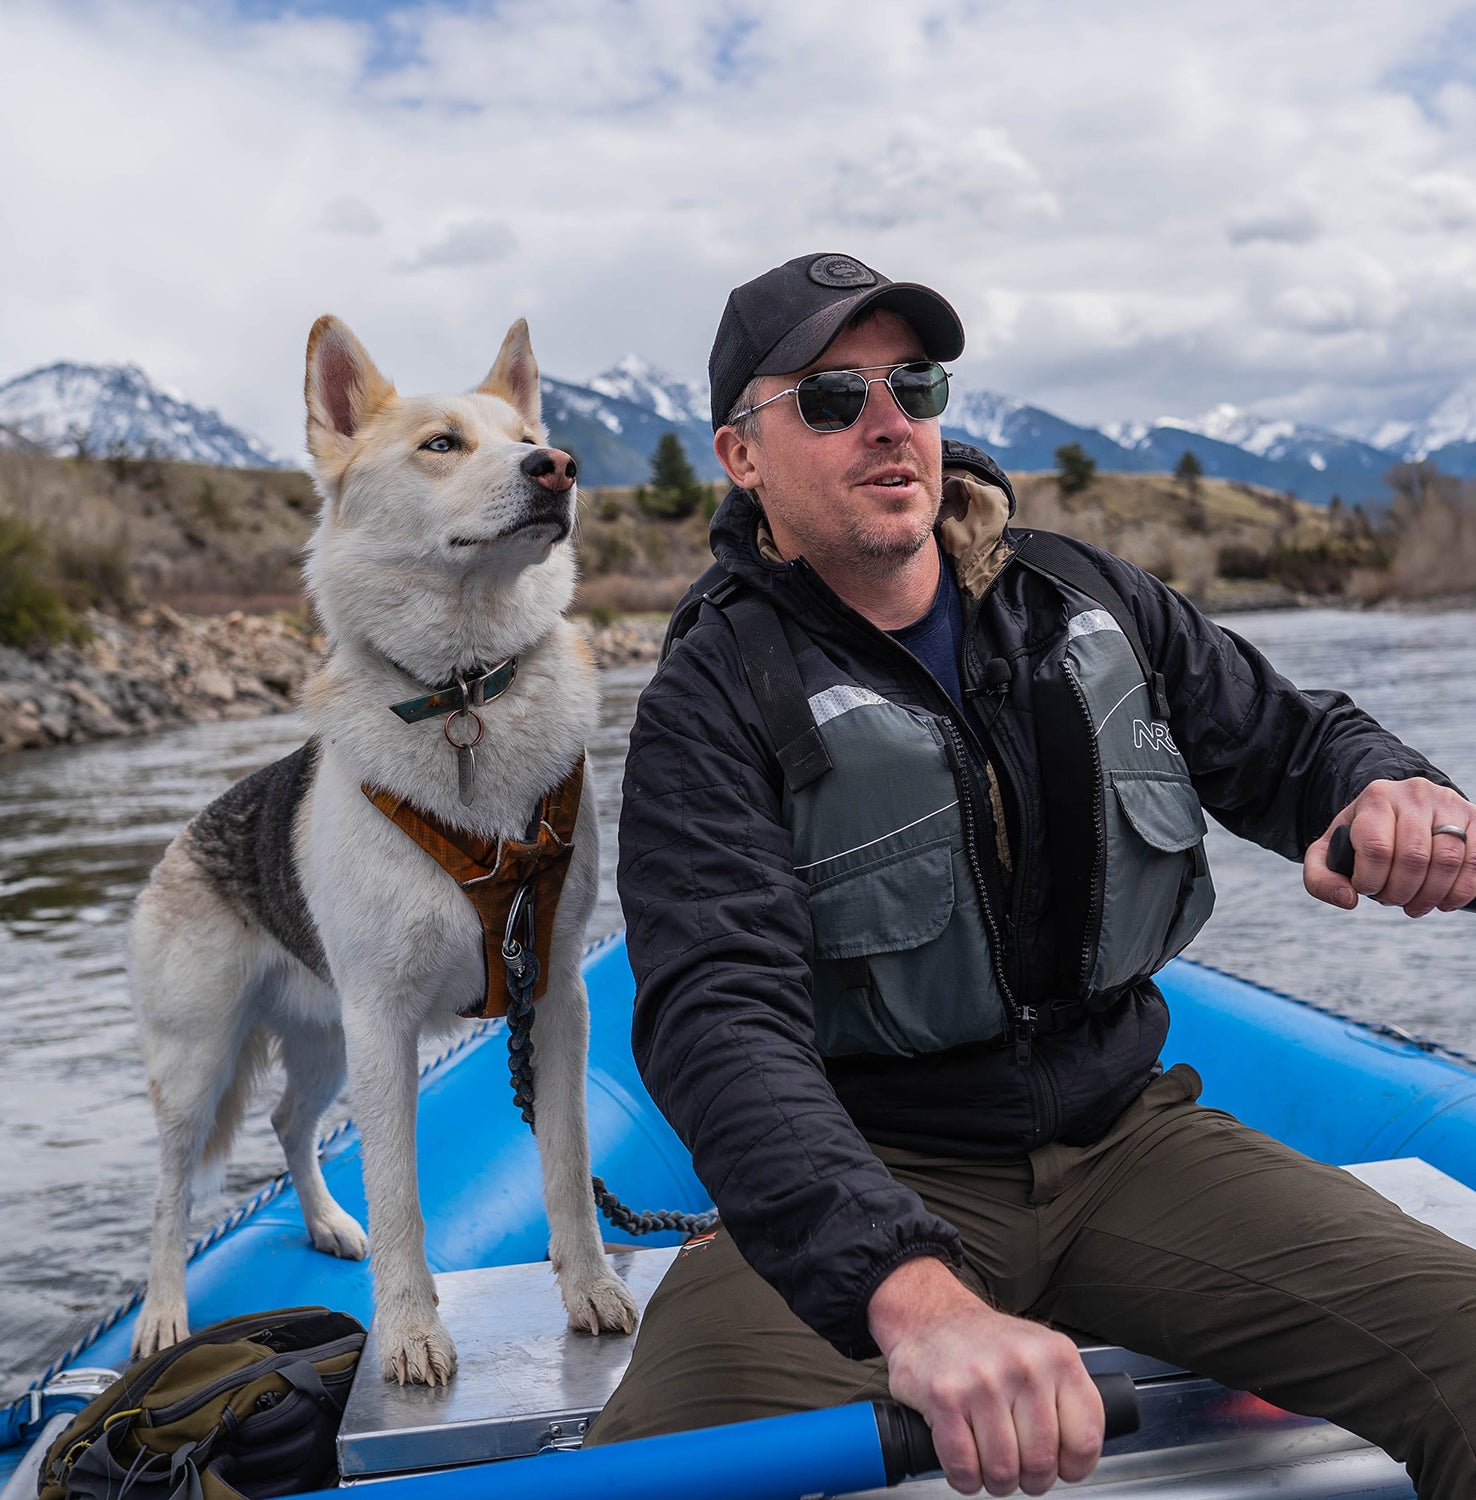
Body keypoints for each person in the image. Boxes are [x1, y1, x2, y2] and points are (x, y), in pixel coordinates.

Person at [585, 251, 1476, 1497]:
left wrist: (1389, 788)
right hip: (873, 1168)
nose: (891, 423)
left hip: (1130, 1141)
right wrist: (914, 1301)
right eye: (834, 400)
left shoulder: (1082, 598)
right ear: (742, 456)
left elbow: (1293, 741)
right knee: (674, 1474)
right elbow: (717, 1020)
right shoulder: (713, 698)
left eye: (916, 383)